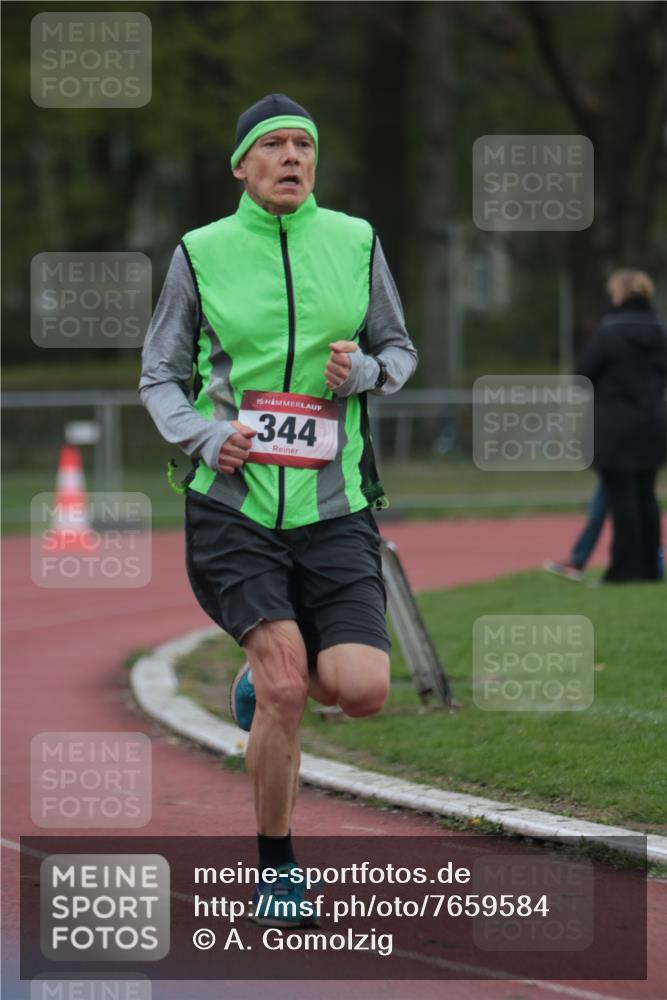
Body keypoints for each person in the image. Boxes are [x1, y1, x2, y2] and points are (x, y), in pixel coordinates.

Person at [139, 93, 418, 924]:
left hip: (335, 506)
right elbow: (159, 375)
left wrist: (362, 375)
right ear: (242, 166)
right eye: (275, 146)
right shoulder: (201, 252)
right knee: (289, 683)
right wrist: (200, 434)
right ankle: (277, 867)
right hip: (235, 505)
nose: (292, 156)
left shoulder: (356, 240)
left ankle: (263, 688)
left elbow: (398, 350)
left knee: (360, 688)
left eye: (304, 144)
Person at [575, 269, 666, 583]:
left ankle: (624, 570)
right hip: (653, 423)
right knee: (646, 497)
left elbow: (583, 373)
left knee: (622, 499)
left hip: (614, 425)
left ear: (619, 295)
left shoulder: (608, 333)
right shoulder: (660, 332)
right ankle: (650, 568)